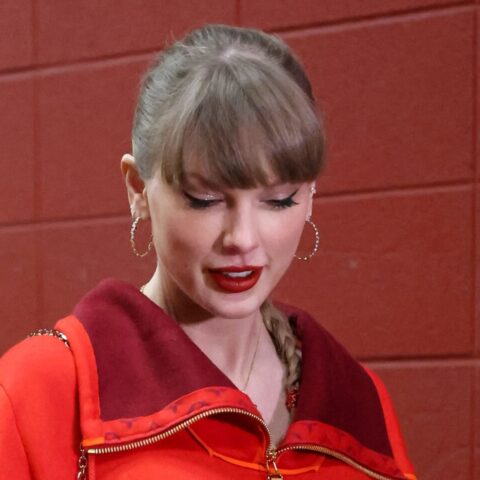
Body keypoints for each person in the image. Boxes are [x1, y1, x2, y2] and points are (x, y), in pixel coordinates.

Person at [0, 24, 415, 480]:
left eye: (278, 200)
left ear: (310, 194)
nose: (242, 237)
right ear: (138, 188)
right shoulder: (36, 390)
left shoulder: (359, 403)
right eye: (205, 199)